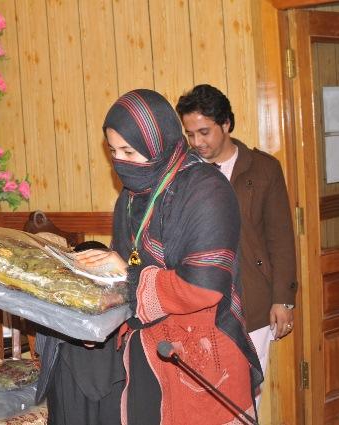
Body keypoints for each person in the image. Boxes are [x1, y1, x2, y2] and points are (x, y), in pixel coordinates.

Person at [76, 89, 262, 424]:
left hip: (201, 361)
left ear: (158, 142)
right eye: (113, 151)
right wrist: (98, 323)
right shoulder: (130, 197)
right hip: (145, 354)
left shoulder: (207, 190)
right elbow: (124, 272)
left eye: (129, 151)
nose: (121, 162)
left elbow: (203, 287)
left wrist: (129, 275)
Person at [175, 84, 297, 401]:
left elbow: (281, 238)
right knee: (202, 398)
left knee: (247, 394)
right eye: (190, 134)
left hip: (253, 299)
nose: (197, 142)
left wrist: (283, 300)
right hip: (198, 302)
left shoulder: (264, 168)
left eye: (204, 132)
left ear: (226, 123)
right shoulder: (183, 172)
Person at [35, 240, 125, 425]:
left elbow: (42, 349)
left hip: (69, 383)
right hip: (115, 376)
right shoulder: (126, 295)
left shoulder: (55, 296)